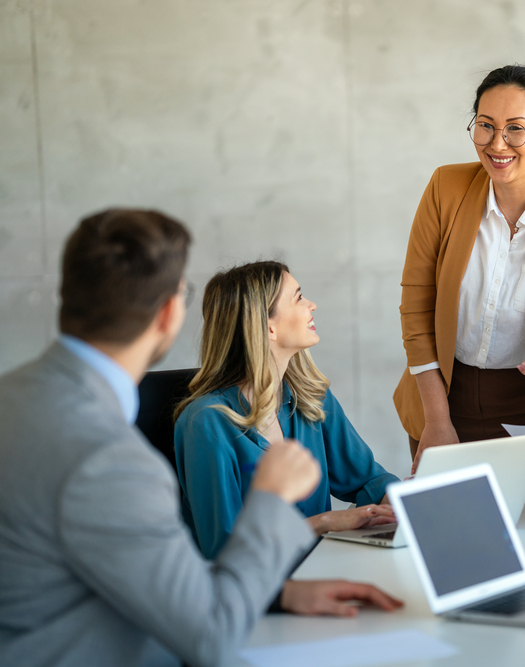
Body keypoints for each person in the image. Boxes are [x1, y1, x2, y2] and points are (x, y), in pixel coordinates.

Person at [0, 210, 401, 667]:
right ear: (170, 312)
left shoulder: (15, 401)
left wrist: (283, 595)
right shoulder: (113, 459)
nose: (311, 306)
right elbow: (210, 632)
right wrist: (273, 499)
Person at [394, 64, 525, 474]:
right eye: (485, 126)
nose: (498, 144)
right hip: (443, 403)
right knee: (456, 534)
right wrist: (438, 421)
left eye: (516, 128)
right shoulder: (445, 188)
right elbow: (416, 310)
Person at [175, 261, 399, 560]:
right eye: (298, 297)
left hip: (323, 567)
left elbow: (368, 480)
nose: (312, 305)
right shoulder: (206, 423)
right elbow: (224, 548)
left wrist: (397, 500)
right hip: (256, 591)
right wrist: (324, 523)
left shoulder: (312, 399)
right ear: (268, 327)